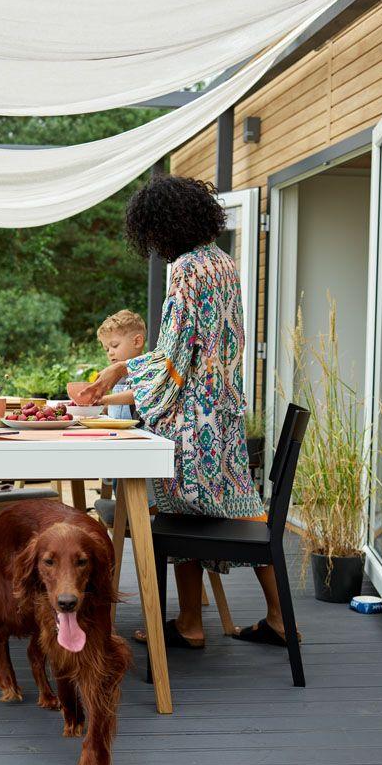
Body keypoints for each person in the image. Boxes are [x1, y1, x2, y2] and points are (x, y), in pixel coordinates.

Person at [79, 175, 294, 651]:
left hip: (194, 425)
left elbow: (175, 353)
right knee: (248, 512)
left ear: (160, 226)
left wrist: (121, 373)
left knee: (177, 510)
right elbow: (223, 345)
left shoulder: (186, 269)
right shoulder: (224, 263)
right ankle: (277, 617)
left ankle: (192, 622)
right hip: (224, 417)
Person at [95, 310, 146, 421]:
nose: (110, 353)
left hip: (140, 434)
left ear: (137, 342)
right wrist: (99, 409)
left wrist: (101, 399)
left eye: (115, 345)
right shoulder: (116, 376)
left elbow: (137, 395)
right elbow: (116, 408)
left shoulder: (146, 370)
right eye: (107, 349)